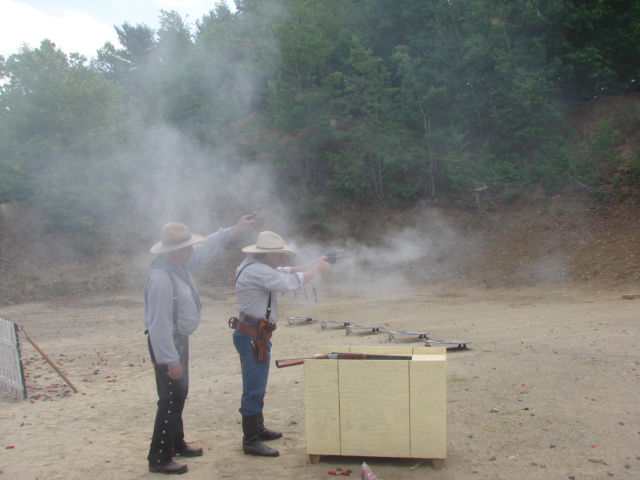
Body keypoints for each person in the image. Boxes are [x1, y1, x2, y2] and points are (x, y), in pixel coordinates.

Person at [144, 216, 253, 474]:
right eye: (188, 246)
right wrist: (170, 360)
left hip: (178, 341)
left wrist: (233, 229)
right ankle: (159, 458)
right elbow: (158, 326)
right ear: (175, 250)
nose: (193, 249)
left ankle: (176, 443)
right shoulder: (160, 279)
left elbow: (208, 246)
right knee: (170, 399)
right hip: (169, 343)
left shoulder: (179, 266)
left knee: (177, 394)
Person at [233, 231, 331, 457]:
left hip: (253, 334)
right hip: (253, 337)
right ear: (268, 255)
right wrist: (315, 271)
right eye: (278, 255)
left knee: (256, 384)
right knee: (253, 388)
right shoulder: (258, 271)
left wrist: (309, 265)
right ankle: (251, 440)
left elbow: (282, 272)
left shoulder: (254, 266)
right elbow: (287, 282)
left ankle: (257, 429)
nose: (281, 259)